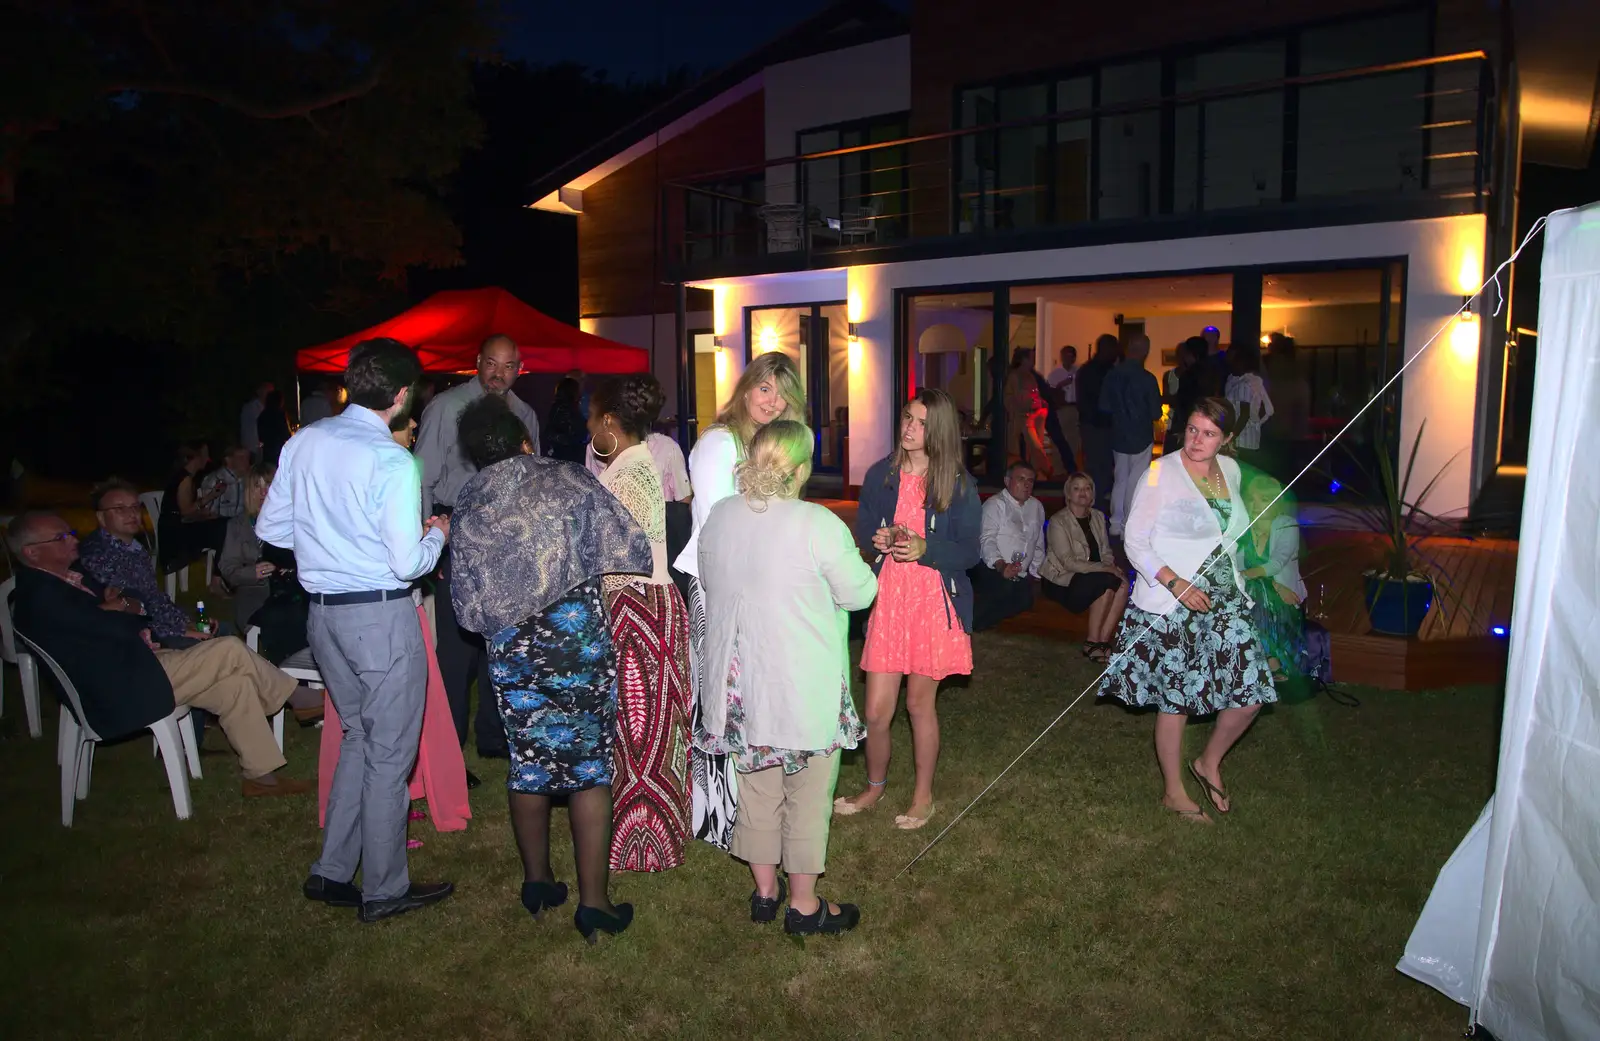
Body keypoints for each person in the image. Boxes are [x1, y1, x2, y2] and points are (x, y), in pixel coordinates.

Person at [257, 337, 455, 923]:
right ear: (400, 396)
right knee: (389, 754)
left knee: (359, 741)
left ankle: (332, 871)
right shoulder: (393, 460)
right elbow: (406, 562)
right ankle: (385, 889)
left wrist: (330, 546)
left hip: (325, 615)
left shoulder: (306, 440)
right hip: (379, 614)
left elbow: (274, 527)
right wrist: (438, 532)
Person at [448, 394, 652, 942]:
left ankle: (537, 883)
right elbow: (631, 545)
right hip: (575, 641)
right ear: (524, 440)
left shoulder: (470, 499)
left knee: (529, 761)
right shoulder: (566, 478)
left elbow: (466, 606)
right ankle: (595, 905)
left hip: (513, 647)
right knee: (588, 768)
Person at [696, 419, 876, 934]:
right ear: (800, 469)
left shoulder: (722, 516)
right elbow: (860, 593)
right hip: (798, 687)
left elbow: (711, 581)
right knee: (809, 793)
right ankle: (802, 905)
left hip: (739, 691)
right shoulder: (816, 524)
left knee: (756, 789)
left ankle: (764, 891)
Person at [8, 511, 315, 797]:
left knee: (235, 686)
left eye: (70, 533)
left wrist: (119, 607)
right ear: (32, 552)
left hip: (136, 664)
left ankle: (260, 777)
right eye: (61, 538)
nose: (74, 540)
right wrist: (117, 610)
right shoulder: (39, 597)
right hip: (120, 688)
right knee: (230, 649)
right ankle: (298, 698)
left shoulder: (73, 577)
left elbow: (134, 601)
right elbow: (113, 627)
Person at [1098, 397, 1277, 824]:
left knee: (1253, 691)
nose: (1197, 440)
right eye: (1192, 430)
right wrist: (1176, 582)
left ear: (1227, 439)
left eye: (1209, 434)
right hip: (1173, 595)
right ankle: (1174, 792)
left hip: (1223, 596)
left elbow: (1230, 531)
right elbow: (1135, 542)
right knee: (1175, 697)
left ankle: (1208, 761)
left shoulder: (1229, 471)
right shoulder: (1161, 474)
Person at [674, 351, 806, 850]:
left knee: (745, 699)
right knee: (715, 701)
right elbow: (715, 529)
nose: (773, 402)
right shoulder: (718, 443)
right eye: (765, 389)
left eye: (782, 393)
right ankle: (713, 814)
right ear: (746, 388)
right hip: (717, 586)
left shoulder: (768, 447)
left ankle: (742, 808)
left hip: (753, 587)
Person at [836, 388, 980, 830]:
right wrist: (878, 542)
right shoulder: (883, 473)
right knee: (877, 711)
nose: (909, 428)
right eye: (906, 418)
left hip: (934, 600)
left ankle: (923, 796)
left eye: (919, 422)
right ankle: (875, 786)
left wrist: (925, 547)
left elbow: (970, 552)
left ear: (938, 430)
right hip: (892, 597)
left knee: (919, 705)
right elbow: (866, 531)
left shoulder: (956, 482)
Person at [414, 334, 540, 767]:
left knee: (500, 638)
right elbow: (422, 480)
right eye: (491, 363)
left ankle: (494, 736)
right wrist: (431, 544)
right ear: (477, 362)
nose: (498, 374)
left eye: (508, 366)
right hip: (454, 527)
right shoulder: (446, 408)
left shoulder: (525, 414)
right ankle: (449, 743)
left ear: (518, 369)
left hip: (506, 535)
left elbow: (531, 482)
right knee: (456, 645)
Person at [587, 375, 694, 872]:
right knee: (650, 725)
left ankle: (644, 844)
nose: (589, 427)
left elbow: (617, 555)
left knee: (640, 728)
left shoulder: (626, 474)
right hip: (649, 603)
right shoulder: (637, 463)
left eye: (592, 418)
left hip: (635, 606)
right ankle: (658, 835)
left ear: (609, 422)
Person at [79, 479, 210, 646]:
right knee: (224, 647)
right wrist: (181, 631)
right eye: (120, 509)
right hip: (140, 641)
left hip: (163, 627)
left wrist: (186, 621)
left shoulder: (134, 548)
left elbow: (154, 598)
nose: (132, 514)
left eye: (135, 507)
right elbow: (134, 613)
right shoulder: (100, 555)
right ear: (101, 517)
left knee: (220, 629)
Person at [219, 462, 313, 673]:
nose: (263, 492)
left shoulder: (295, 521)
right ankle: (285, 674)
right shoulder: (237, 525)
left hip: (292, 591)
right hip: (255, 596)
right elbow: (228, 569)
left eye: (269, 485)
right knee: (283, 616)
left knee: (307, 613)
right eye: (257, 486)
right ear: (248, 491)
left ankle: (301, 673)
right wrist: (252, 572)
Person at [1040, 472, 1130, 663]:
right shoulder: (1058, 521)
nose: (1082, 492)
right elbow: (1068, 562)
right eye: (1077, 488)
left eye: (1087, 488)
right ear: (1068, 494)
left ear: (1093, 494)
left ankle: (1102, 641)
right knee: (1106, 582)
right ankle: (1091, 642)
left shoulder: (1097, 517)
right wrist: (1105, 569)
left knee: (1122, 583)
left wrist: (1110, 566)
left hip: (1094, 576)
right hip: (1062, 579)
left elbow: (1106, 551)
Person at [1238, 472, 1320, 681]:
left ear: (1276, 502)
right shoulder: (1242, 528)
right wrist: (1273, 585)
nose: (1257, 505)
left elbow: (1276, 564)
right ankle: (1268, 661)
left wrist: (1248, 577)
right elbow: (1231, 565)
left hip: (1283, 601)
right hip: (1253, 595)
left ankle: (1268, 660)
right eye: (1252, 499)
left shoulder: (1286, 524)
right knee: (1255, 592)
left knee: (1257, 592)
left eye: (1264, 500)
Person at [1099, 334, 1163, 538]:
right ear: (1145, 351)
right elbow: (1155, 413)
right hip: (1141, 434)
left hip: (1119, 433)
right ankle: (1128, 523)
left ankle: (1115, 522)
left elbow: (1104, 406)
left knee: (1120, 479)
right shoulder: (1147, 379)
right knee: (1136, 480)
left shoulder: (1111, 376)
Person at [969, 461, 1045, 632]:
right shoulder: (994, 505)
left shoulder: (1036, 506)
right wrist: (1001, 565)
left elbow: (1038, 542)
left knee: (1025, 599)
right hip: (991, 567)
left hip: (1019, 572)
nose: (1026, 485)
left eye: (1030, 481)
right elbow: (986, 540)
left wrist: (1038, 572)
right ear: (1007, 481)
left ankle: (976, 625)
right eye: (1021, 479)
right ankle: (969, 625)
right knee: (1004, 588)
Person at [159, 442, 231, 570]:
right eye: (205, 455)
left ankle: (220, 571)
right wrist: (208, 500)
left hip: (178, 527)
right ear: (197, 457)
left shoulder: (186, 477)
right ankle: (220, 574)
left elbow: (185, 511)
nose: (208, 459)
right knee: (224, 530)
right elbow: (185, 511)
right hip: (175, 533)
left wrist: (206, 510)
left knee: (225, 524)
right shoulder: (185, 479)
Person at [1075, 334, 1120, 514]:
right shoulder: (1101, 371)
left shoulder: (1089, 370)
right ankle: (1095, 503)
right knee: (1099, 466)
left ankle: (1095, 502)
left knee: (1100, 465)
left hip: (1095, 424)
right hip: (1097, 425)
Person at [1225, 341, 1274, 456]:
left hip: (1243, 441)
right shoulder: (1232, 379)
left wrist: (1231, 437)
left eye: (1232, 357)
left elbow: (1244, 414)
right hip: (1241, 439)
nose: (1228, 360)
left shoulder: (1247, 383)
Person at [1046, 344, 1083, 468]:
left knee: (1074, 439)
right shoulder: (1055, 374)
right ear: (1061, 357)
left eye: (1072, 356)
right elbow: (1050, 392)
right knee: (1059, 438)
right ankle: (1057, 468)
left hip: (1075, 408)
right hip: (1061, 409)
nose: (1069, 358)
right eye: (1066, 355)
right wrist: (1061, 385)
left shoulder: (1079, 372)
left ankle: (1070, 465)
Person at [198, 445, 251, 520]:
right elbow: (206, 512)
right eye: (241, 458)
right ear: (228, 460)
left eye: (248, 458)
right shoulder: (214, 480)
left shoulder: (250, 480)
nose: (246, 461)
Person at [544, 376, 588, 463]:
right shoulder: (567, 409)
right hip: (568, 456)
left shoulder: (557, 408)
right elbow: (578, 431)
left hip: (560, 455)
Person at [258, 391, 292, 466]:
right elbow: (285, 433)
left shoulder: (262, 415)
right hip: (278, 448)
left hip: (267, 448)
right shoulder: (279, 414)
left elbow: (261, 435)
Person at [241, 382, 273, 462]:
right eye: (267, 392)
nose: (270, 395)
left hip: (262, 448)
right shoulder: (251, 407)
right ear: (259, 392)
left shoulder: (268, 408)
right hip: (253, 448)